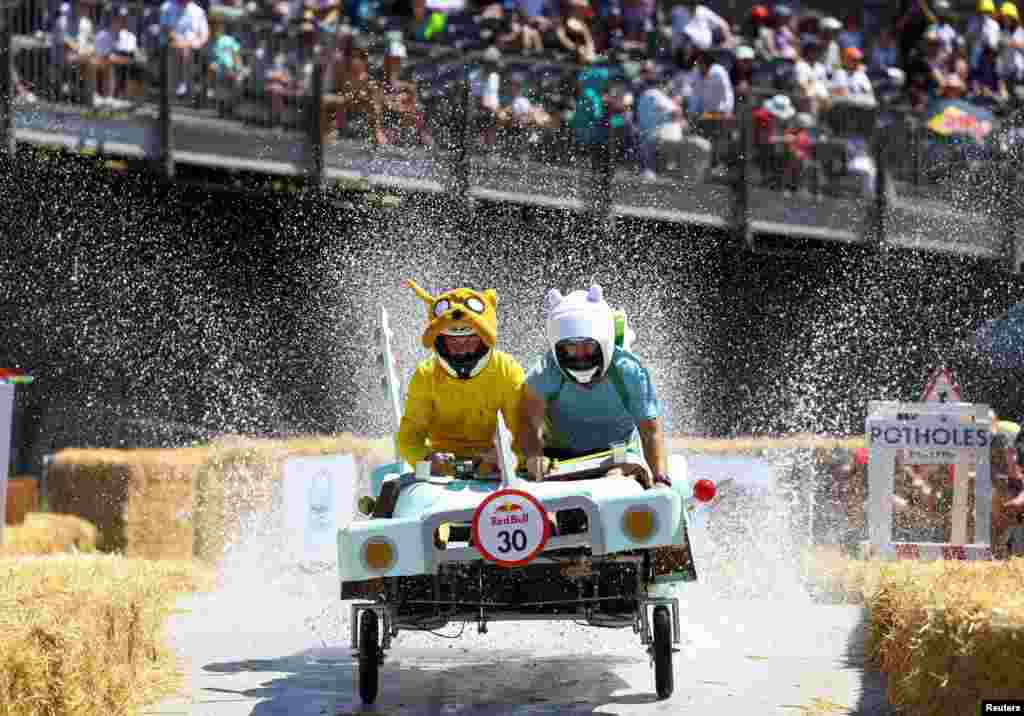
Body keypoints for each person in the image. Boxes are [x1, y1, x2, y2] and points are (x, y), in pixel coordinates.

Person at [519, 284, 670, 504]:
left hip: (616, 459)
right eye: (570, 348)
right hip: (558, 463)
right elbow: (528, 423)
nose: (580, 356)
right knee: (545, 508)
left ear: (604, 342)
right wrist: (534, 457)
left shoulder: (629, 371)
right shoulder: (544, 372)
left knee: (614, 487)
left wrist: (660, 480)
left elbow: (650, 432)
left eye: (588, 346)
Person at [397, 280, 526, 476]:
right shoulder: (425, 375)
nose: (462, 348)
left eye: (470, 339)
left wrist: (506, 456)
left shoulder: (508, 369)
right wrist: (426, 459)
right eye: (453, 340)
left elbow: (526, 433)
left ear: (484, 338)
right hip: (444, 475)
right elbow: (409, 439)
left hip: (497, 471)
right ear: (439, 341)